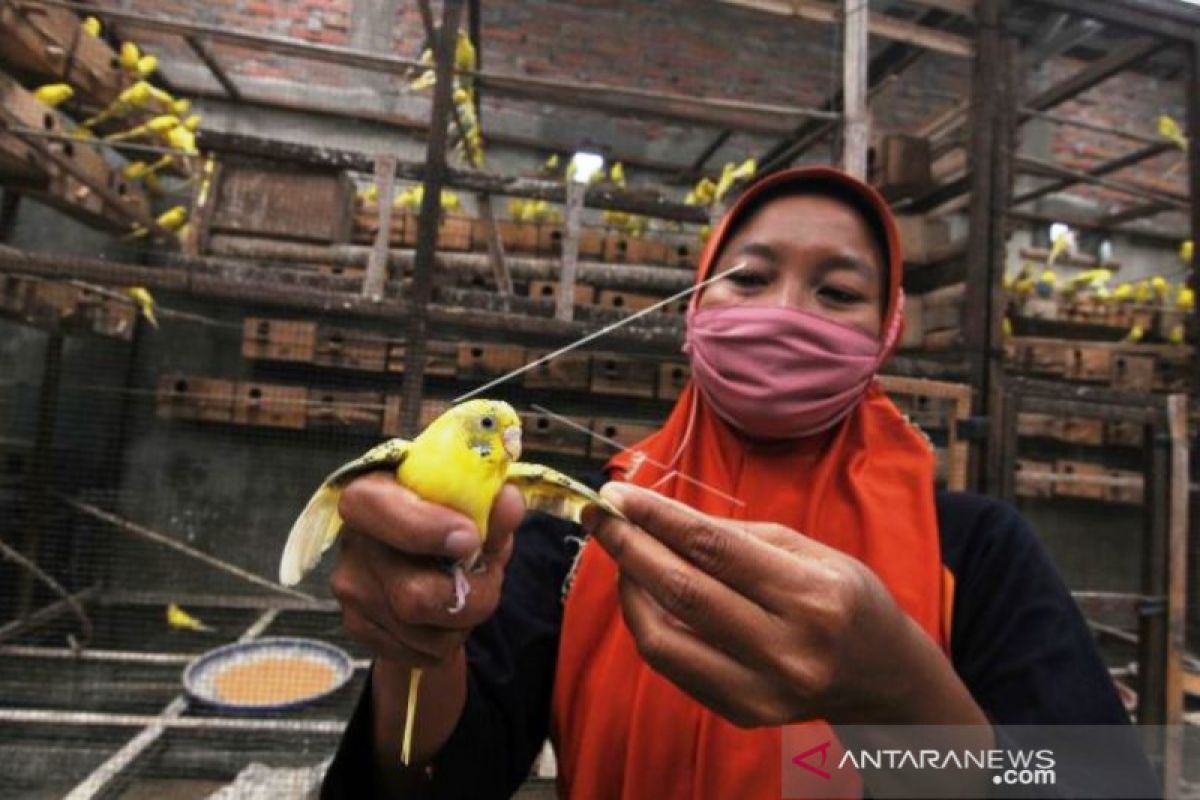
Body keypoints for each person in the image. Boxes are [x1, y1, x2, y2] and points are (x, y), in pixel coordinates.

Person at [320, 167, 1159, 799]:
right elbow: (428, 783)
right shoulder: (579, 534)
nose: (787, 312)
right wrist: (412, 648)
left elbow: (1098, 782)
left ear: (886, 334)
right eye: (750, 279)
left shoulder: (973, 552)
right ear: (695, 312)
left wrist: (905, 699)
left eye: (837, 291)